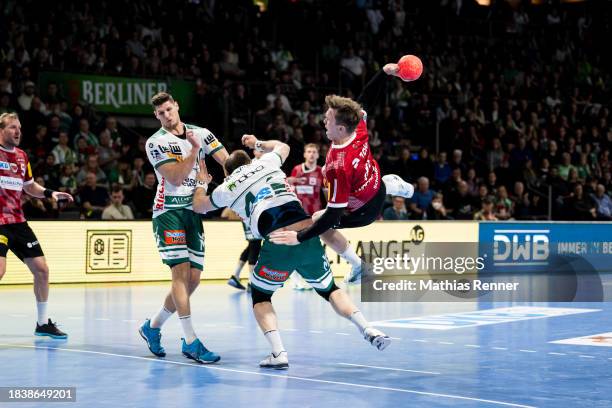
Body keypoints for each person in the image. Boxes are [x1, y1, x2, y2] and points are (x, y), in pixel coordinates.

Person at [192, 135, 390, 369]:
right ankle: (366, 327)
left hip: (278, 242)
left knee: (261, 296)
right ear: (248, 162)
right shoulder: (265, 163)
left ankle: (278, 353)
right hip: (306, 233)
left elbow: (198, 206)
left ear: (227, 173)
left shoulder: (227, 187)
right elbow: (283, 146)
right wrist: (258, 144)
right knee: (330, 289)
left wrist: (202, 182)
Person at [269, 63, 414, 284]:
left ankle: (359, 266)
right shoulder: (357, 128)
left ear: (340, 128)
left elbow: (333, 216)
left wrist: (299, 237)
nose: (323, 121)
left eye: (328, 119)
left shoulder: (338, 166)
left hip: (365, 210)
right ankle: (394, 185)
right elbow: (366, 98)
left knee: (319, 220)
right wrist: (384, 73)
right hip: (374, 184)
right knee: (373, 180)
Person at [138, 92, 228, 364]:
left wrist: (239, 186)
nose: (166, 115)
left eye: (169, 109)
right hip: (169, 213)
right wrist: (193, 150)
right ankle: (191, 342)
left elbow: (227, 162)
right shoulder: (156, 142)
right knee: (179, 275)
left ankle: (151, 327)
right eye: (161, 113)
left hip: (194, 211)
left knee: (193, 280)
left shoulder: (201, 132)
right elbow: (175, 176)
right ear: (156, 116)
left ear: (177, 106)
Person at [0, 112, 74, 338]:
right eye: (13, 127)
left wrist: (52, 193)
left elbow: (29, 187)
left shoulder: (22, 156)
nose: (18, 131)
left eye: (19, 128)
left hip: (18, 222)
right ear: (1, 129)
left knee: (42, 271)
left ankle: (42, 324)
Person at [287, 143, 326, 290]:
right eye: (308, 151)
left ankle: (308, 277)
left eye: (314, 152)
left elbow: (325, 193)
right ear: (304, 154)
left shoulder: (321, 172)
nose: (311, 154)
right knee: (297, 244)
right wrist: (288, 181)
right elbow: (289, 188)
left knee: (311, 246)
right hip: (298, 215)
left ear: (317, 155)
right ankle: (295, 278)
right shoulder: (296, 170)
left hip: (314, 215)